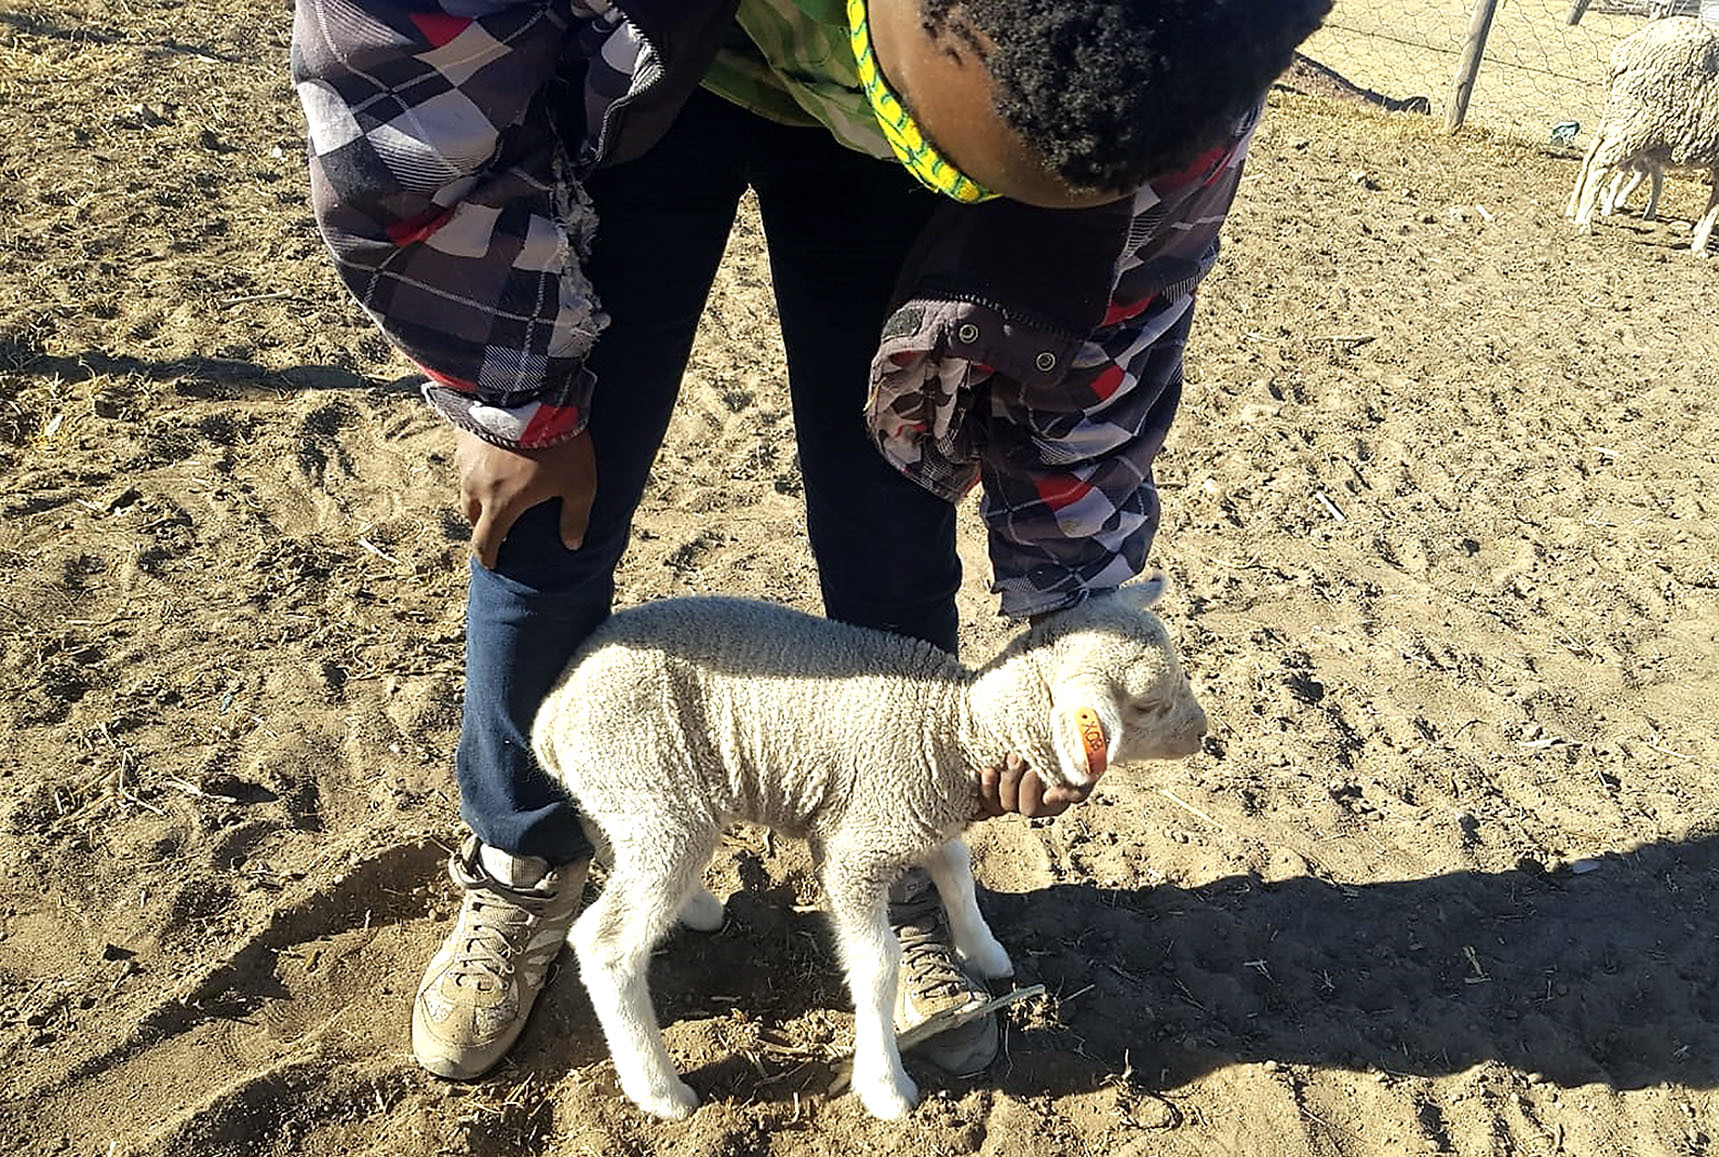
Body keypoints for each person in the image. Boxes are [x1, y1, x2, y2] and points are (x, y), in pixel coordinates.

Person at [291, 0, 1331, 1085]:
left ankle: (905, 855)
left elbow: (1112, 326)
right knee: (554, 513)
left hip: (893, 159)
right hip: (629, 70)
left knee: (895, 498)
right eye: (946, 148)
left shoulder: (1189, 70)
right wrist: (517, 398)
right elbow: (397, 99)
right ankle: (526, 849)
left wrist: (1072, 618)